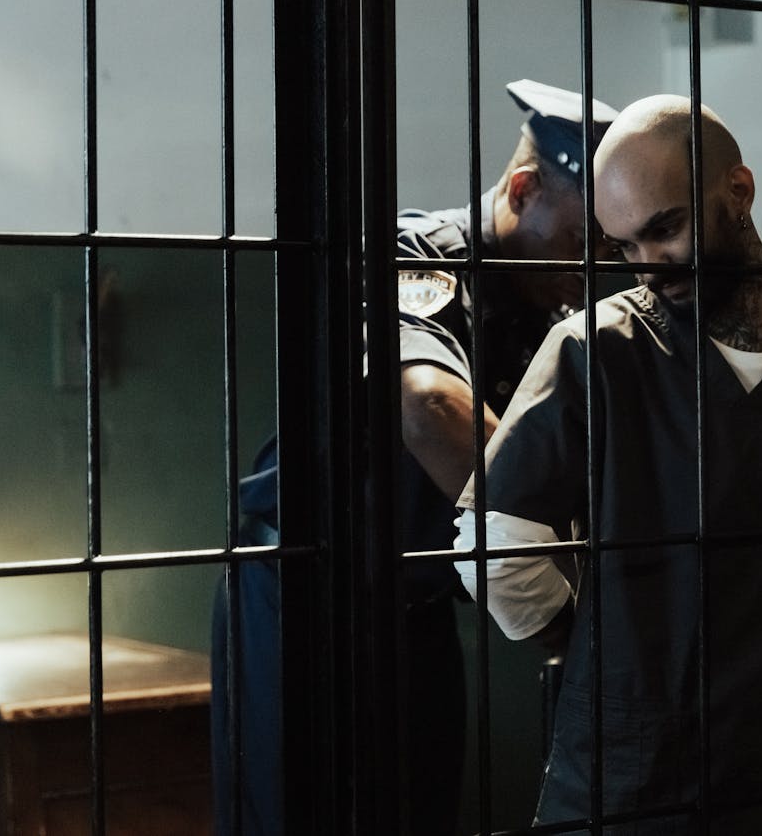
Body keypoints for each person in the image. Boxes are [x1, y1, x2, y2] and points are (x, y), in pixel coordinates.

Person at [453, 95, 762, 835]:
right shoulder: (594, 352)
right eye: (624, 247)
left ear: (737, 191)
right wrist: (609, 645)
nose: (648, 267)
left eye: (664, 230)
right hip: (643, 775)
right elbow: (493, 548)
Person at [210, 79, 619, 836]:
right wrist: (563, 537)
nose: (596, 267)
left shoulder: (557, 308)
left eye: (613, 248)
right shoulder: (418, 257)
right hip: (304, 598)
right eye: (582, 242)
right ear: (523, 191)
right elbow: (428, 406)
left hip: (417, 607)